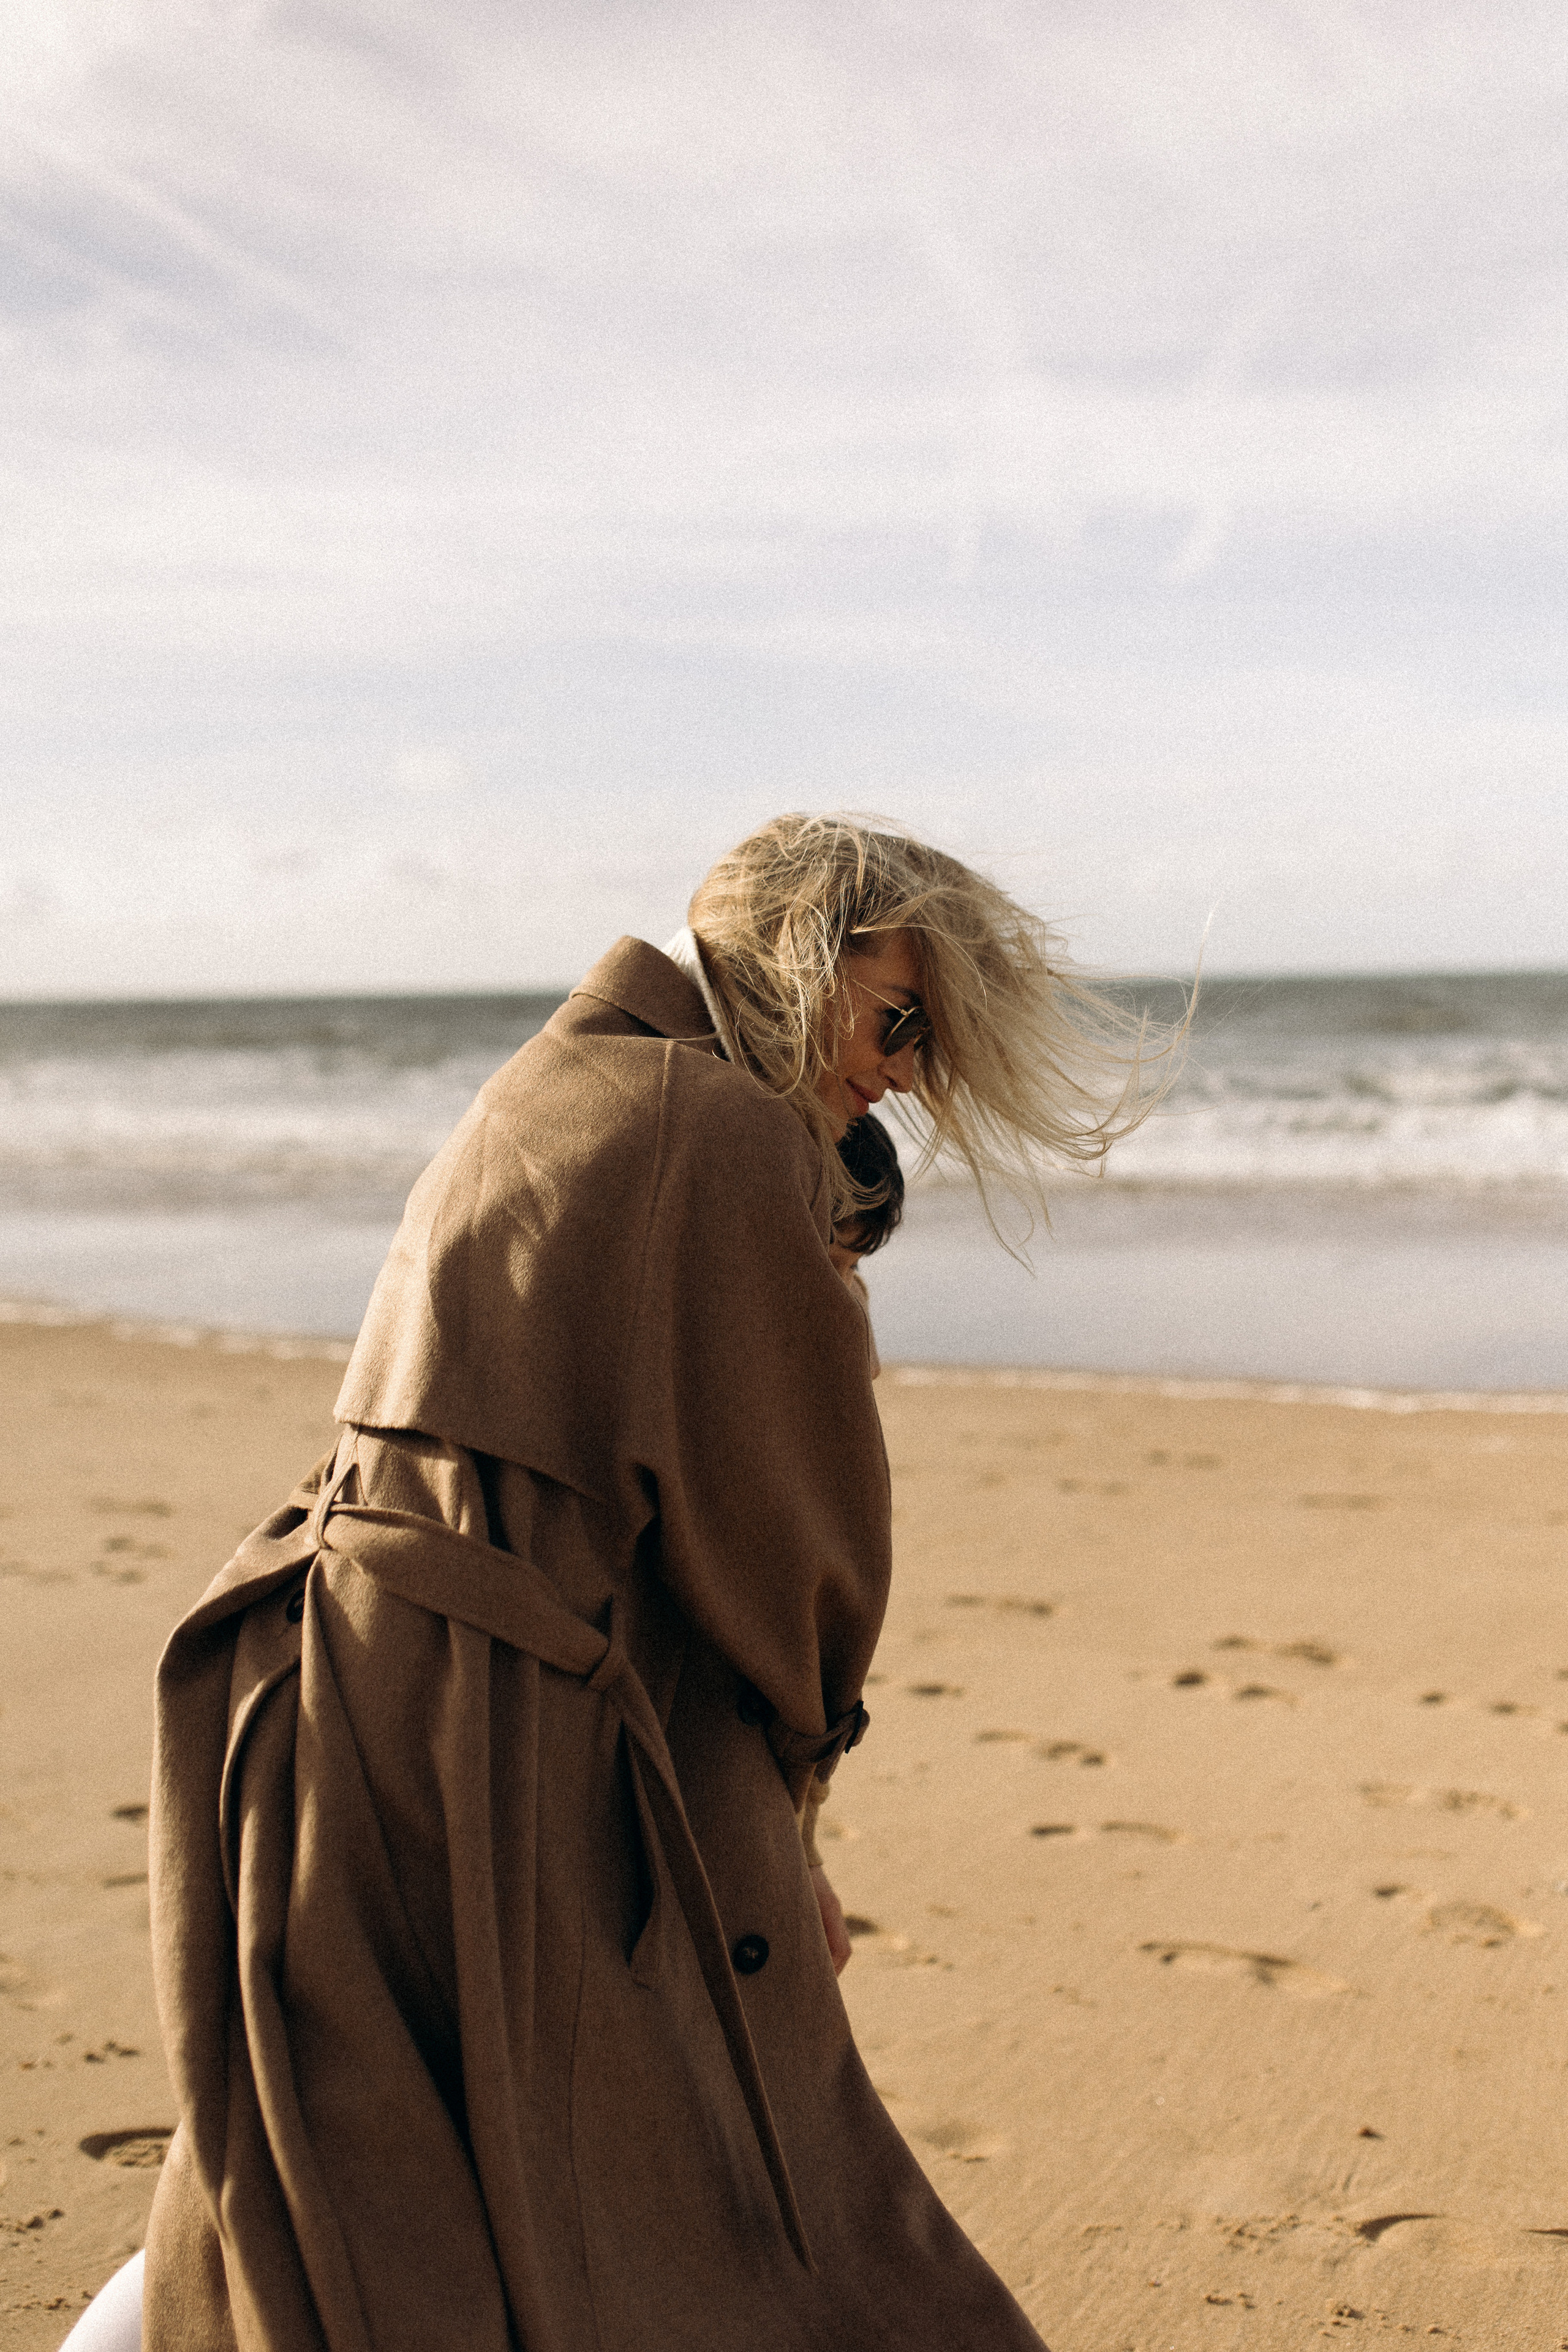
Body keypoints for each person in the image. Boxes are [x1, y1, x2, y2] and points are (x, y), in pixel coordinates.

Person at [124, 814, 1175, 2352]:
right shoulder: (723, 1133)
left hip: (336, 1682)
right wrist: (793, 1811)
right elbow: (796, 1551)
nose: (900, 1072)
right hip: (481, 1730)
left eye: (928, 1048)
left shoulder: (563, 1073)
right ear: (808, 955)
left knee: (335, 2163)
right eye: (897, 1020)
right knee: (722, 2198)